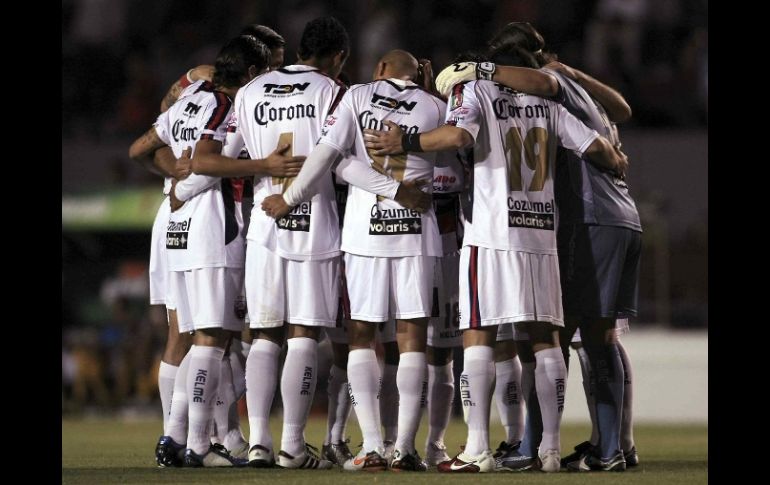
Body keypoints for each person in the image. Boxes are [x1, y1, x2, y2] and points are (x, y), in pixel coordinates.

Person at [364, 48, 627, 473]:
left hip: (491, 236)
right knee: (545, 340)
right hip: (541, 235)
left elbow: (457, 138)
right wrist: (616, 161)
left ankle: (477, 449)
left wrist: (406, 140)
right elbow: (599, 148)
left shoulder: (477, 90)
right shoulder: (547, 104)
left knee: (477, 334)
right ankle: (550, 451)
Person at [261, 49, 447, 472]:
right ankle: (406, 449)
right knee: (412, 337)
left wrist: (289, 199)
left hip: (365, 233)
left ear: (381, 68)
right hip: (418, 231)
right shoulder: (436, 105)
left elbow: (330, 158)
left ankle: (374, 448)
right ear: (417, 74)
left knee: (362, 334)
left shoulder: (359, 95)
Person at [485, 22, 641, 472]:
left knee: (556, 336)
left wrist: (478, 70)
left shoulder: (550, 85)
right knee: (592, 336)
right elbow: (624, 109)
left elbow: (536, 80)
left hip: (590, 220)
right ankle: (609, 446)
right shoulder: (578, 86)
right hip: (619, 219)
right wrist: (569, 68)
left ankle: (548, 447)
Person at [129, 34, 271, 467]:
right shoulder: (228, 107)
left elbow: (139, 149)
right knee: (213, 337)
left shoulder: (188, 96)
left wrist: (174, 176)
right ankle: (196, 443)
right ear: (249, 74)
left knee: (188, 337)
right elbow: (209, 161)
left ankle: (181, 438)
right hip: (212, 225)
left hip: (174, 224)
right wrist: (263, 165)